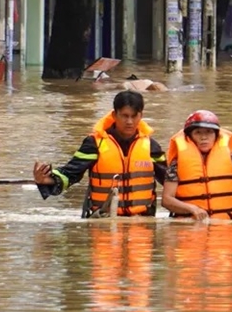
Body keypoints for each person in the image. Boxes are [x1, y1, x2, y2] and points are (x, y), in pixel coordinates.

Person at [32, 90, 167, 218]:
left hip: (142, 220)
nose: (129, 122)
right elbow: (71, 173)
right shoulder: (94, 143)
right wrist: (45, 180)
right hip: (103, 219)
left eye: (134, 116)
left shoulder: (151, 146)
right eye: (125, 116)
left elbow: (168, 179)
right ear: (115, 115)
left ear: (141, 116)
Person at [161, 110, 232, 221]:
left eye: (209, 132)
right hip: (193, 225)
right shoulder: (177, 163)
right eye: (198, 132)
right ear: (190, 136)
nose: (203, 137)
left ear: (216, 135)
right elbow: (167, 200)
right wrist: (192, 209)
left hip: (226, 225)